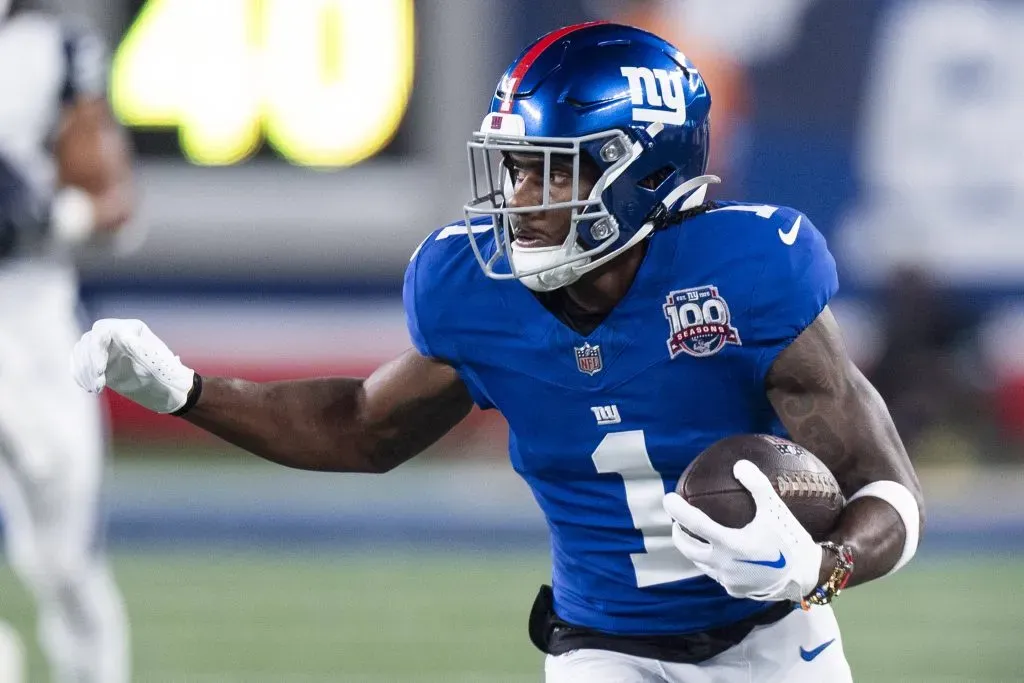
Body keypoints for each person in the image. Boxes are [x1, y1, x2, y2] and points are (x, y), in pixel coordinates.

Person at [71, 22, 924, 683]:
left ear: (642, 174)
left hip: (772, 641)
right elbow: (363, 427)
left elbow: (888, 486)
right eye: (514, 168)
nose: (519, 198)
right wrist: (188, 390)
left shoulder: (747, 273)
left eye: (550, 171)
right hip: (604, 648)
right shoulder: (474, 289)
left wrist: (821, 565)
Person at [0, 1, 135, 681]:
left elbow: (114, 198)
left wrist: (50, 212)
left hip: (30, 317)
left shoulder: (52, 49)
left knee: (66, 563)